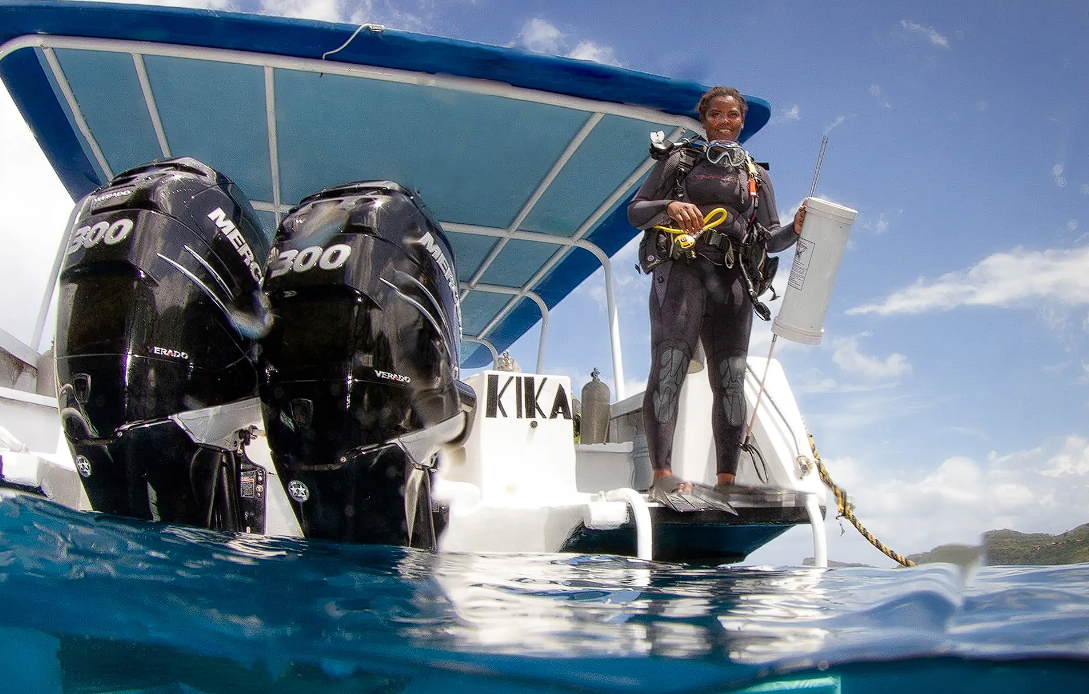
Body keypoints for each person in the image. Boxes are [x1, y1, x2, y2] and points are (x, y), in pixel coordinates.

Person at [627, 86, 806, 496]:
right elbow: (636, 212)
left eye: (733, 116)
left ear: (742, 121)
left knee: (731, 378)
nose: (725, 122)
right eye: (716, 115)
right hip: (682, 275)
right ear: (704, 119)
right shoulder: (681, 159)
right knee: (670, 366)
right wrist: (669, 207)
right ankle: (662, 476)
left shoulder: (757, 176)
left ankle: (728, 480)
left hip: (733, 281)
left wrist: (795, 228)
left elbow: (771, 239)